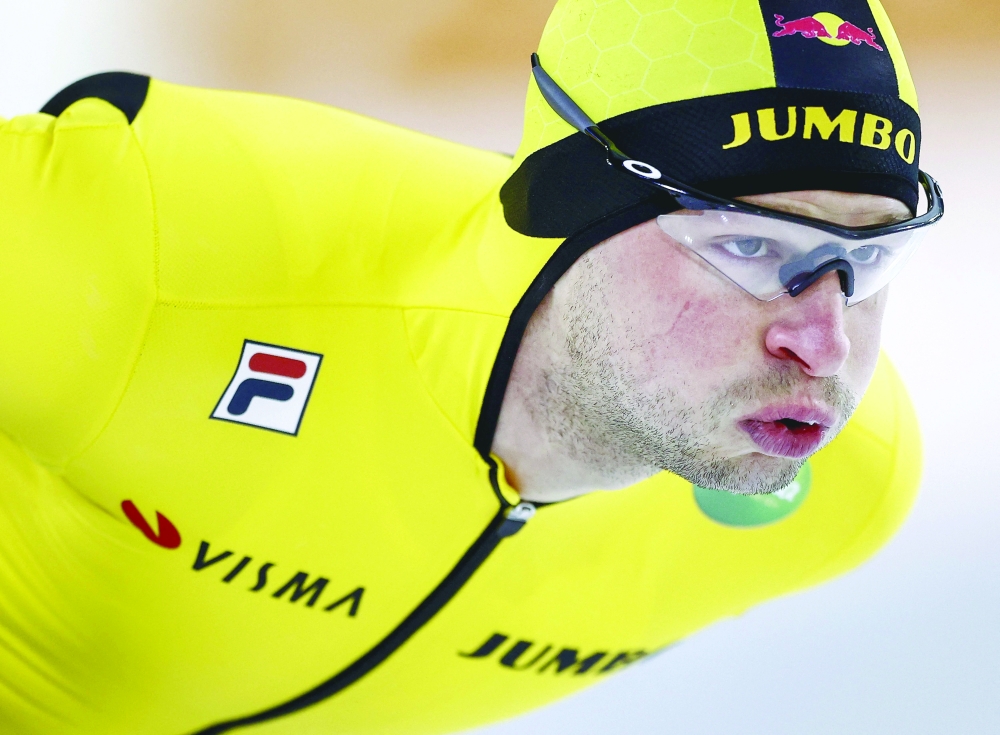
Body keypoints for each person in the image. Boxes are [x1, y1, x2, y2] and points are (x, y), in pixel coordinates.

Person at [0, 1, 941, 733]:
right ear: (571, 214)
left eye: (870, 256)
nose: (822, 344)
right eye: (748, 246)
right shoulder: (144, 242)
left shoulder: (844, 489)